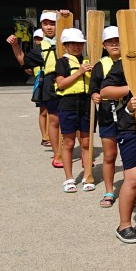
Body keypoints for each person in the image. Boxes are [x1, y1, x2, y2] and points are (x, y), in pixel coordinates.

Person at [98, 50, 136, 244]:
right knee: (133, 177)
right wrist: (131, 90)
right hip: (130, 126)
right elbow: (104, 91)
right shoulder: (127, 63)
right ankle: (124, 225)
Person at [7, 12, 62, 161]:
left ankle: (83, 153)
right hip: (51, 87)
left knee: (74, 122)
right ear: (41, 26)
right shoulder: (40, 48)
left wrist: (66, 15)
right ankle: (57, 154)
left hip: (70, 85)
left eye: (53, 23)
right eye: (45, 24)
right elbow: (23, 60)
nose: (49, 27)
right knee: (54, 120)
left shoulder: (67, 40)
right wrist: (15, 45)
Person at [54, 27, 93, 192]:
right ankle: (69, 178)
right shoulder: (62, 62)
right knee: (69, 142)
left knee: (86, 142)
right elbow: (61, 84)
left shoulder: (89, 60)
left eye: (79, 44)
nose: (77, 47)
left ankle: (87, 176)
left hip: (86, 103)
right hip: (68, 104)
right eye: (73, 44)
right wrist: (79, 72)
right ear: (65, 46)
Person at [90, 26, 121, 208]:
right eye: (110, 42)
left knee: (131, 156)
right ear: (104, 45)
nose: (114, 44)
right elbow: (93, 88)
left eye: (117, 41)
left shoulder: (130, 62)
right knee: (110, 154)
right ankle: (109, 190)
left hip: (127, 114)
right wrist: (94, 94)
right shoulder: (100, 65)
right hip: (107, 115)